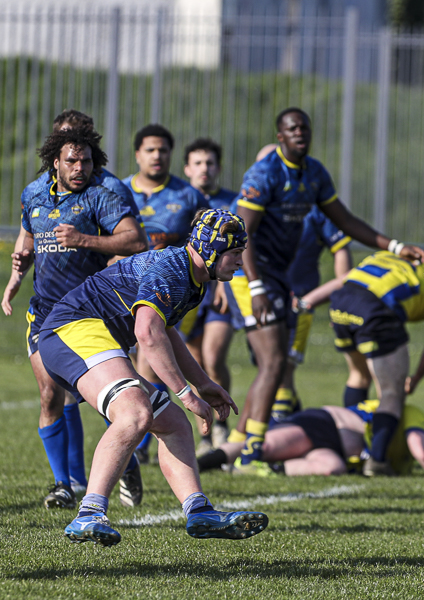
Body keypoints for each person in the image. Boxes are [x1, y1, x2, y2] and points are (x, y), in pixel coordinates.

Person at [37, 209, 268, 546]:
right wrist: (185, 392)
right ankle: (89, 512)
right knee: (136, 413)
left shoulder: (193, 277)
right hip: (72, 329)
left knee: (173, 423)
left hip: (92, 334)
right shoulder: (174, 269)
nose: (239, 263)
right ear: (210, 251)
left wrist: (202, 383)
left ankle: (198, 509)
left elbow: (165, 330)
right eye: (234, 254)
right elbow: (146, 332)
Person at [229, 106, 424, 474]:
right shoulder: (264, 173)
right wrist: (255, 286)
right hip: (249, 274)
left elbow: (346, 221)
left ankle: (247, 446)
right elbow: (244, 233)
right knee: (271, 360)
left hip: (278, 277)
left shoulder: (314, 173)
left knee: (277, 362)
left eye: (305, 126)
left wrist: (395, 246)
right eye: (292, 128)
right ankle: (249, 452)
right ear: (280, 136)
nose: (300, 132)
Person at [1, 126, 147, 510]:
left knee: (97, 398)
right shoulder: (33, 194)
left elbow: (135, 240)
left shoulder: (101, 198)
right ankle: (62, 485)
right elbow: (29, 239)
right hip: (44, 312)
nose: (79, 167)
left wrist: (85, 240)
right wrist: (20, 267)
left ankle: (127, 461)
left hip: (88, 315)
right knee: (50, 394)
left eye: (85, 160)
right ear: (55, 162)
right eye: (72, 160)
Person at [124, 124, 209, 464]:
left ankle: (142, 442)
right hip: (124, 289)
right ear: (137, 155)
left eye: (163, 150)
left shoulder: (187, 195)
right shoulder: (121, 191)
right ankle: (141, 430)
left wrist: (214, 284)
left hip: (168, 294)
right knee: (131, 366)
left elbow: (208, 239)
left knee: (152, 362)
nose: (157, 156)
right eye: (150, 150)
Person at [328, 251, 424, 476]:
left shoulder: (391, 256)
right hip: (375, 307)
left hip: (341, 299)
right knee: (391, 392)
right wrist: (416, 376)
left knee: (358, 376)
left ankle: (350, 448)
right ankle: (377, 460)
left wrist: (309, 300)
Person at [197, 401, 424, 477]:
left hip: (336, 452)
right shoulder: (416, 415)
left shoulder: (406, 462)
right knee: (264, 446)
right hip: (326, 426)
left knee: (330, 468)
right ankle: (203, 463)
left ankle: (266, 470)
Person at [180, 138, 241, 453]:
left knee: (215, 358)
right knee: (196, 362)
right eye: (198, 163)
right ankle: (204, 432)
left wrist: (227, 285)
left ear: (218, 168)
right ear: (187, 168)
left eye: (210, 163)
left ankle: (221, 423)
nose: (205, 169)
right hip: (189, 293)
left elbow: (239, 249)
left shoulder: (232, 202)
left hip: (221, 295)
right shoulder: (180, 201)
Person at [278, 206, 354, 414]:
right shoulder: (266, 201)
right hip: (265, 297)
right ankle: (295, 424)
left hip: (299, 304)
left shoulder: (318, 211)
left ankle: (278, 431)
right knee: (273, 369)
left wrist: (342, 301)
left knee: (282, 368)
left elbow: (342, 258)